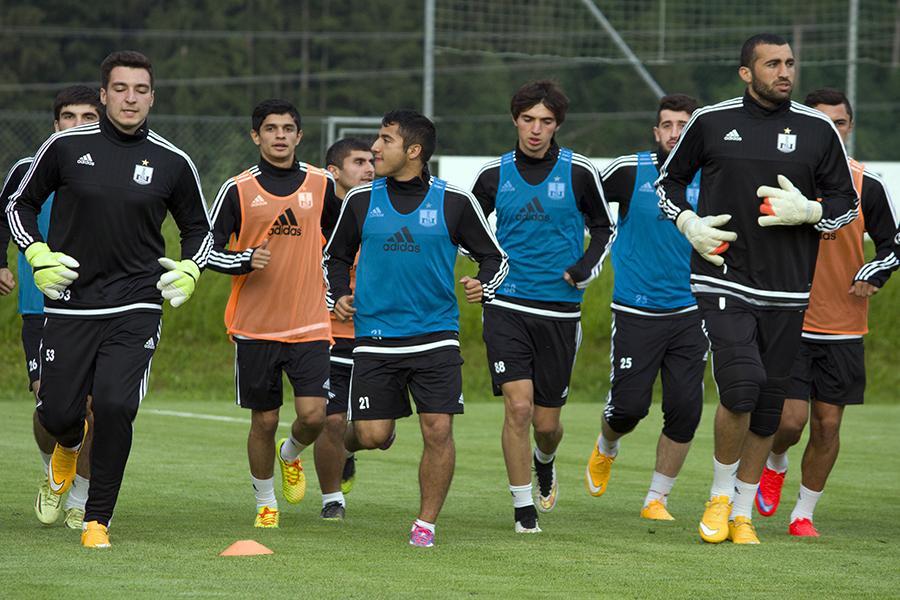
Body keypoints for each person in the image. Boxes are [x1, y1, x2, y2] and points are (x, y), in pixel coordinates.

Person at [657, 33, 859, 544]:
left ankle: (742, 512)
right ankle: (719, 495)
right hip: (722, 276)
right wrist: (688, 222)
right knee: (741, 385)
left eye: (789, 62)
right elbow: (668, 183)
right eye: (772, 64)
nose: (784, 72)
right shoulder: (711, 121)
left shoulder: (818, 130)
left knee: (769, 407)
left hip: (789, 288)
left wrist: (812, 211)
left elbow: (846, 202)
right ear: (746, 73)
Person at [6, 51, 213, 548]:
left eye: (141, 90)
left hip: (136, 303)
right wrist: (36, 252)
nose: (130, 99)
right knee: (58, 414)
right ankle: (66, 445)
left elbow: (199, 230)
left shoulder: (173, 160)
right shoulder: (64, 147)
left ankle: (97, 518)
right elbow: (19, 204)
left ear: (153, 98)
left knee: (117, 405)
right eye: (120, 89)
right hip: (71, 301)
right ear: (103, 95)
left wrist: (190, 268)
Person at [324, 109, 507, 547]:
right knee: (374, 435)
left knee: (438, 429)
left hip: (435, 335)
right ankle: (349, 445)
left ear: (413, 150)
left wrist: (483, 284)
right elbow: (335, 256)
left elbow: (494, 257)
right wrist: (339, 295)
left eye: (385, 139)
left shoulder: (454, 201)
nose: (375, 147)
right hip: (376, 337)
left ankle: (425, 525)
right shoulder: (360, 200)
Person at [470, 80, 614, 533]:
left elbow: (604, 229)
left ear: (557, 125)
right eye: (528, 119)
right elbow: (467, 229)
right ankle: (522, 508)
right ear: (515, 120)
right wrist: (486, 272)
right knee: (519, 408)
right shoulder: (492, 175)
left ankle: (544, 459)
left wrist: (583, 267)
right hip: (505, 305)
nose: (536, 129)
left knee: (547, 425)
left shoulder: (579, 171)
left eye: (546, 121)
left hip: (559, 311)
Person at [755, 88, 900, 537]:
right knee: (790, 421)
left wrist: (874, 273)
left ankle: (803, 514)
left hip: (843, 327)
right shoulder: (783, 178)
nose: (832, 131)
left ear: (850, 127)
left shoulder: (866, 184)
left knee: (828, 424)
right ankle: (775, 462)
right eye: (822, 122)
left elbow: (893, 245)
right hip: (790, 318)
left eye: (839, 122)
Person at [207, 99, 340, 528]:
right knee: (264, 420)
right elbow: (205, 251)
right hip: (256, 326)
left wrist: (341, 286)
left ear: (299, 136)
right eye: (270, 128)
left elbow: (344, 240)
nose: (279, 136)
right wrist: (244, 259)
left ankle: (291, 453)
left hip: (310, 322)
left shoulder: (322, 184)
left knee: (314, 416)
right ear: (256, 136)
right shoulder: (238, 189)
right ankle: (266, 503)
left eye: (287, 128)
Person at [585, 94, 707, 521]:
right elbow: (584, 204)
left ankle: (657, 498)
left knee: (685, 410)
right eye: (667, 125)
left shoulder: (714, 174)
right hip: (636, 310)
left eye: (684, 125)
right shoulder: (629, 170)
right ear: (656, 132)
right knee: (629, 408)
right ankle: (607, 446)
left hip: (693, 311)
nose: (675, 133)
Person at [0, 86, 101, 530]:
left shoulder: (112, 169)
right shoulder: (28, 169)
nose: (77, 125)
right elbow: (5, 213)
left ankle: (81, 499)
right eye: (68, 117)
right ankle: (52, 472)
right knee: (51, 405)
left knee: (95, 407)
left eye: (87, 117)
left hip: (99, 307)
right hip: (40, 308)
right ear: (55, 124)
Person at [313, 138, 375, 520]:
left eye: (371, 161)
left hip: (375, 335)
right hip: (327, 333)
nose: (369, 168)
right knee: (332, 420)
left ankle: (348, 451)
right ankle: (331, 499)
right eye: (358, 162)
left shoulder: (382, 211)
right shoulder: (315, 214)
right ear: (333, 171)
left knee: (376, 435)